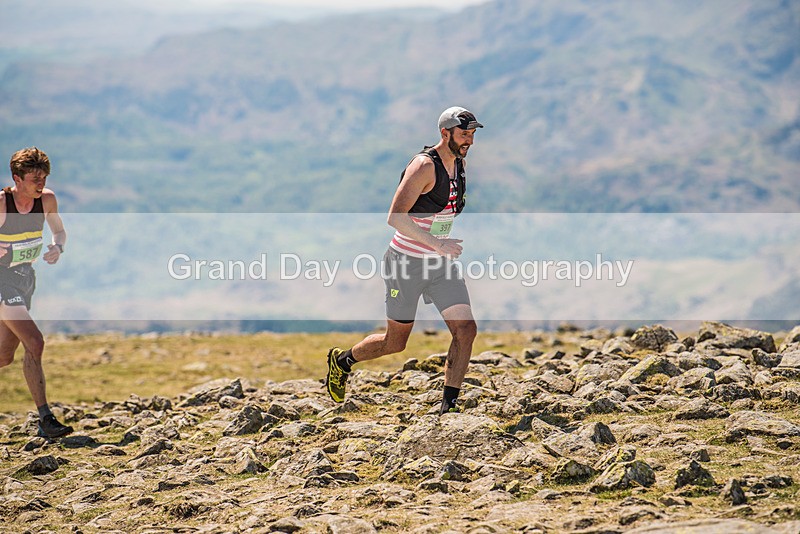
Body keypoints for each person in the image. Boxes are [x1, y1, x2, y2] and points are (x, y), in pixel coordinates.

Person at [326, 107, 482, 414]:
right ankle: (342, 361)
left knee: (466, 330)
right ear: (445, 133)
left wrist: (439, 248)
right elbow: (395, 217)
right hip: (405, 264)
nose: (470, 141)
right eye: (464, 134)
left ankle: (448, 408)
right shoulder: (424, 166)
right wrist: (438, 243)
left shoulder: (459, 165)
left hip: (439, 265)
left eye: (473, 135)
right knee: (395, 343)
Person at [0, 147, 72, 438]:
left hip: (25, 279)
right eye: (34, 179)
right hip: (1, 280)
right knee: (35, 341)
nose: (40, 184)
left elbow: (59, 231)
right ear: (17, 179)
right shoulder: (3, 204)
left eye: (44, 178)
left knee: (4, 356)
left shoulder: (48, 200)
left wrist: (57, 247)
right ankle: (46, 419)